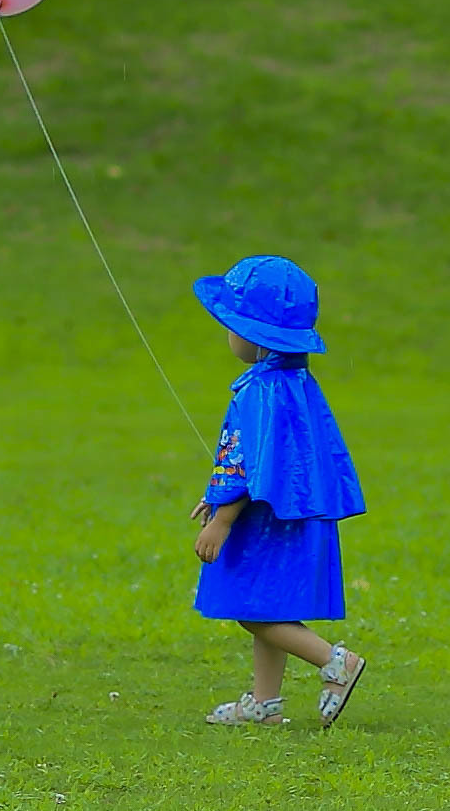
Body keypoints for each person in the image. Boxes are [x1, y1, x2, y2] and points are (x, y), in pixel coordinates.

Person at [190, 255, 366, 727]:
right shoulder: (295, 384)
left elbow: (246, 458)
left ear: (257, 335)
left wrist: (223, 518)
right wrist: (217, 494)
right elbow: (276, 460)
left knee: (252, 609)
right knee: (271, 604)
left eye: (232, 324)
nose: (228, 334)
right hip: (292, 514)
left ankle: (335, 662)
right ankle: (265, 704)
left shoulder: (260, 391)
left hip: (264, 521)